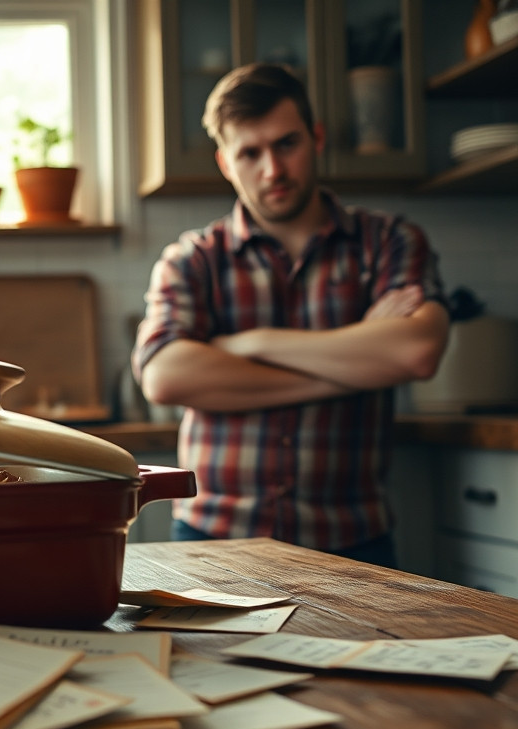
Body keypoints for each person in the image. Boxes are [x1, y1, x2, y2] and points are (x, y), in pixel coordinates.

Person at [133, 63, 449, 567]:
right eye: (250, 153)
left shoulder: (389, 240)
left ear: (317, 137)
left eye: (287, 144)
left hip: (354, 542)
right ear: (225, 163)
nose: (273, 170)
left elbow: (416, 351)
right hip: (212, 539)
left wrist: (250, 342)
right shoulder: (191, 258)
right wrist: (356, 363)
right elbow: (165, 377)